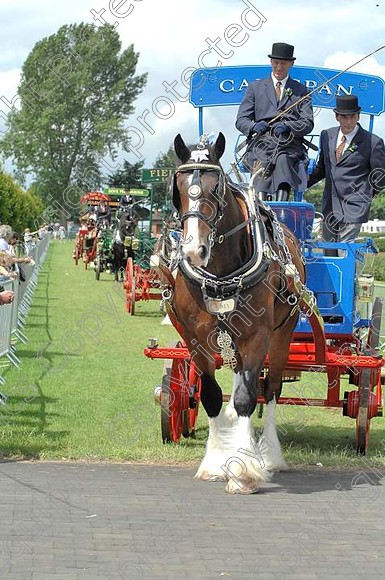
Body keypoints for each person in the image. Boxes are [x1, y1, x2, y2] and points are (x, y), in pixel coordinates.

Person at [235, 42, 314, 200]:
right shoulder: (255, 88)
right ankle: (260, 204)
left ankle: (281, 208)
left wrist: (288, 126)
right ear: (271, 62)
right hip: (261, 143)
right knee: (263, 158)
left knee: (283, 159)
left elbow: (308, 123)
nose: (279, 67)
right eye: (276, 63)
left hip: (289, 145)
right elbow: (241, 120)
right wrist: (254, 126)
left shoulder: (302, 91)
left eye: (283, 63)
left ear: (291, 64)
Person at [307, 94, 385, 242]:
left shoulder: (373, 142)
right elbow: (323, 168)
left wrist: (364, 195)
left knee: (345, 255)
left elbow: (381, 176)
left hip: (354, 208)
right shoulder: (326, 135)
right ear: (336, 117)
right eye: (344, 117)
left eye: (352, 116)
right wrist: (302, 182)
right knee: (328, 253)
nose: (348, 121)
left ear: (358, 116)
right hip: (329, 207)